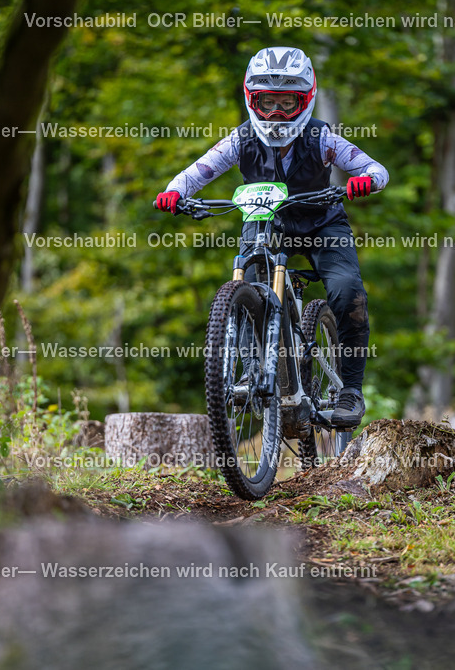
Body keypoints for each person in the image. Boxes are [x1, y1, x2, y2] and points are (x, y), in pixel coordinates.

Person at [155, 46, 388, 429]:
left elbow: (375, 168)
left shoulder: (322, 138)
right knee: (246, 285)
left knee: (348, 291)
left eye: (286, 103)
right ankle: (250, 370)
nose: (276, 113)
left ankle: (351, 390)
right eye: (267, 102)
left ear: (306, 100)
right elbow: (198, 172)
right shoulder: (241, 139)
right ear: (252, 100)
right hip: (265, 221)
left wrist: (365, 181)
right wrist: (175, 192)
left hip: (322, 223)